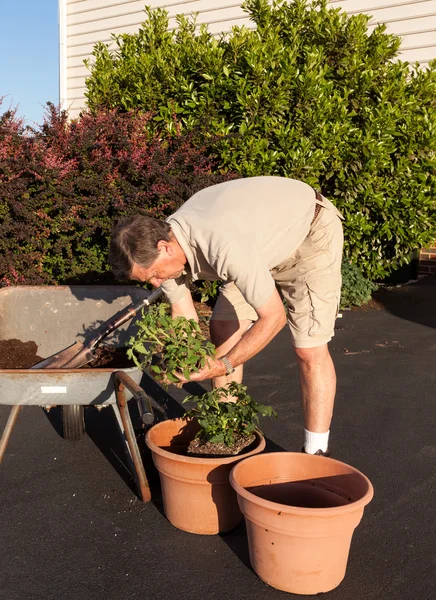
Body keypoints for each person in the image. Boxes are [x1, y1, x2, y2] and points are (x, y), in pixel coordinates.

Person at [109, 176, 344, 456]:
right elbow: (183, 313)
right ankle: (225, 429)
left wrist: (223, 365)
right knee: (222, 327)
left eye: (155, 275)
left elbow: (273, 317)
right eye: (148, 280)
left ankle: (315, 453)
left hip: (308, 235)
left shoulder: (221, 245)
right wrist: (181, 360)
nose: (156, 284)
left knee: (309, 349)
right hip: (257, 245)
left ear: (166, 247)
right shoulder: (159, 247)